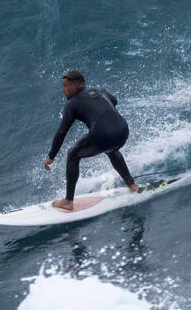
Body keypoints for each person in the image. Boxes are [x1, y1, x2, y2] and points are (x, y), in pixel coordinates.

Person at [43, 70, 139, 209]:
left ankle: (68, 201)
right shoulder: (99, 90)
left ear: (76, 85)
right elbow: (115, 100)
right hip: (123, 130)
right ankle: (131, 185)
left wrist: (51, 156)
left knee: (72, 154)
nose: (63, 90)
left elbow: (61, 133)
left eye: (65, 86)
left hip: (103, 134)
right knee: (112, 150)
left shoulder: (72, 104)